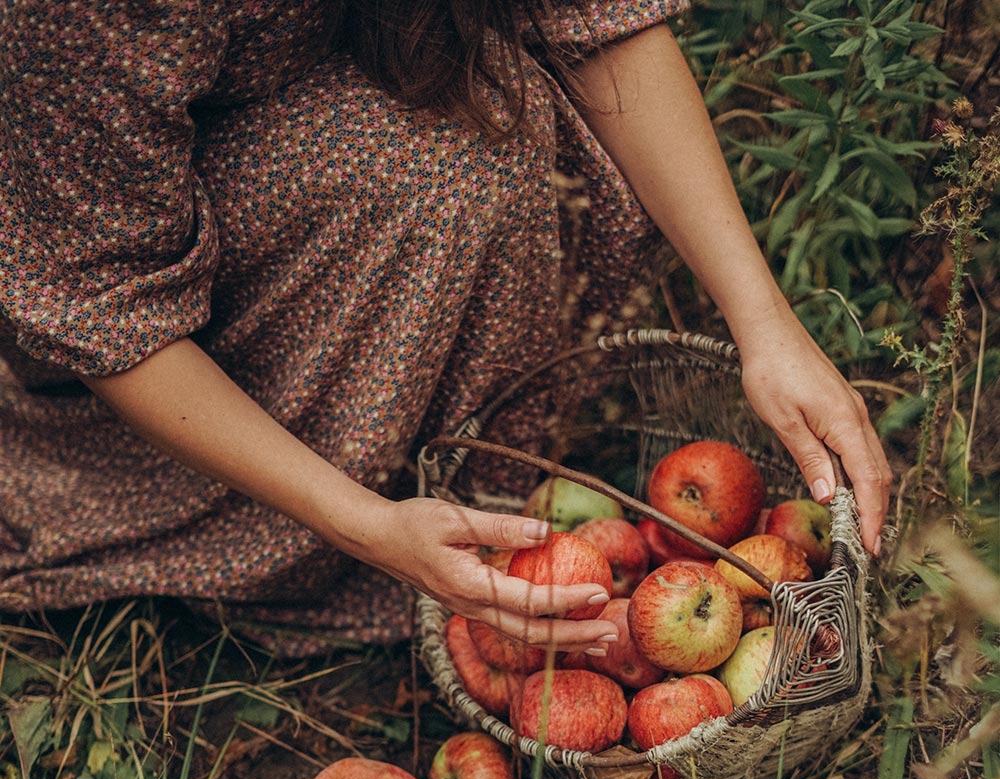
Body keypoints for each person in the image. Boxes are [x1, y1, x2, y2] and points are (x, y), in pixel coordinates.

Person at [0, 1, 892, 657]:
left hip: (304, 96)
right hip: (98, 228)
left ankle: (459, 497)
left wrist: (766, 327)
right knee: (421, 165)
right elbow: (102, 300)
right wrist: (364, 526)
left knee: (478, 118)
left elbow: (595, 19)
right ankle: (287, 543)